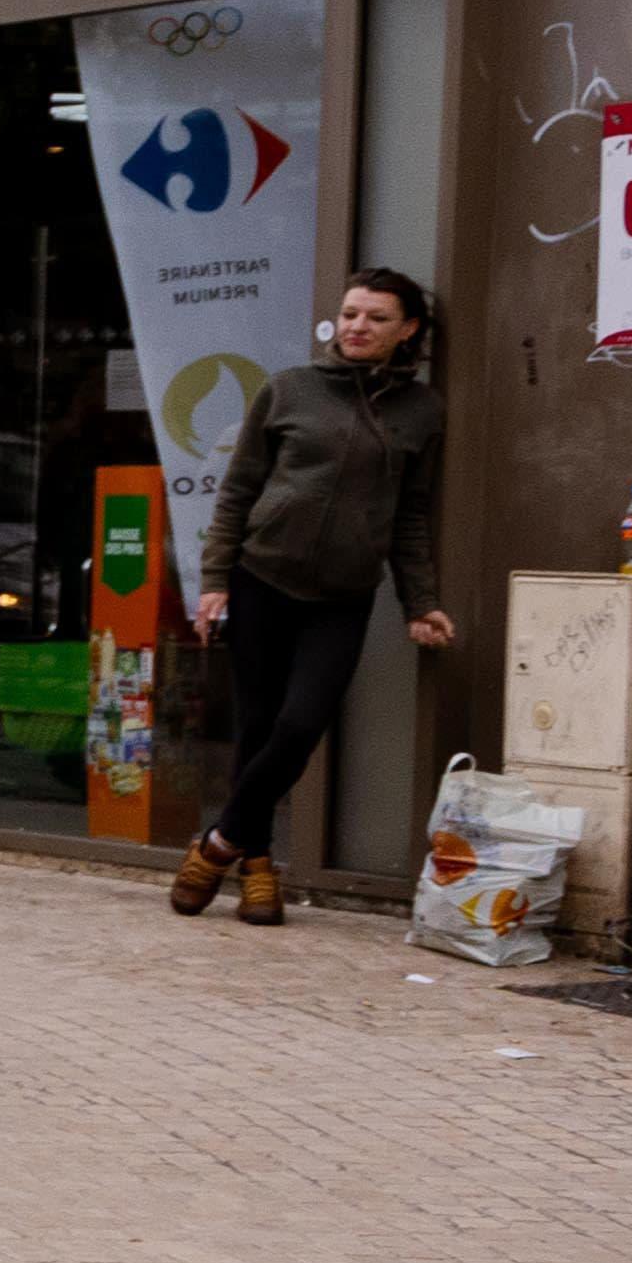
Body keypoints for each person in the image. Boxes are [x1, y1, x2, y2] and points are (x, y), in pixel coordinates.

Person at [179, 266, 451, 924]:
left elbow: (411, 515)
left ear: (407, 330)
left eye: (377, 318)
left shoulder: (421, 411)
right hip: (261, 579)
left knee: (299, 727)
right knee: (257, 729)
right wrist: (214, 581)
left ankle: (218, 844)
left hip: (343, 596)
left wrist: (420, 603)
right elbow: (238, 491)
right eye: (351, 313)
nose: (358, 327)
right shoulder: (290, 390)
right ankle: (258, 868)